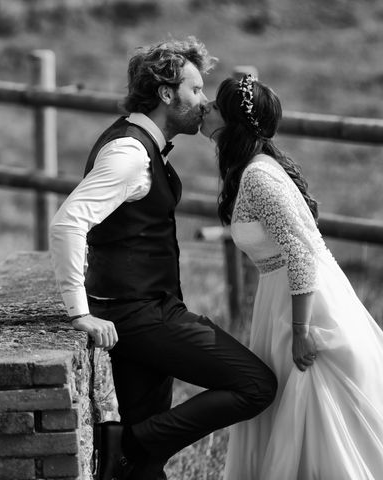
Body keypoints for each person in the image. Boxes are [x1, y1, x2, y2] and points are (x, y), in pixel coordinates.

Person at [49, 37, 277, 480]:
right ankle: (129, 443)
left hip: (145, 310)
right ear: (167, 94)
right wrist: (79, 313)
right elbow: (68, 223)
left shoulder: (141, 144)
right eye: (195, 90)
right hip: (139, 316)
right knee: (255, 385)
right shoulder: (130, 153)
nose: (204, 101)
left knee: (142, 465)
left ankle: (131, 446)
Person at [201, 74, 383, 479]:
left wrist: (300, 330)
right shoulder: (250, 169)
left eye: (214, 105)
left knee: (310, 406)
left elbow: (300, 253)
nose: (205, 109)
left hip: (301, 301)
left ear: (232, 122)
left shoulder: (259, 177)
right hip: (281, 292)